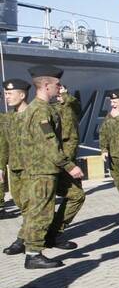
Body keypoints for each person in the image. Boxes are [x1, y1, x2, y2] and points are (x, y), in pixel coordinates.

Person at [8, 67, 84, 268]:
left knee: (75, 195)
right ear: (46, 85)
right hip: (43, 170)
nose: (60, 88)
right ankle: (33, 254)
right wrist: (69, 166)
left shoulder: (41, 108)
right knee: (41, 210)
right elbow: (48, 143)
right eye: (58, 85)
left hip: (47, 168)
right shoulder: (40, 110)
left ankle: (50, 237)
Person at [46, 79, 84, 249]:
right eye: (58, 89)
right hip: (56, 161)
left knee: (76, 196)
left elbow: (76, 105)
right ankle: (36, 237)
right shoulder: (49, 110)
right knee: (45, 200)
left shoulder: (70, 108)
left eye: (63, 90)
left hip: (69, 161)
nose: (60, 92)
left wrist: (65, 95)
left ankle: (54, 232)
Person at [0, 78, 31, 232]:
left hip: (33, 169)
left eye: (10, 93)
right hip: (15, 168)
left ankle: (27, 238)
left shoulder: (35, 115)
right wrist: (1, 167)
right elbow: (4, 144)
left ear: (22, 95)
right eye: (6, 93)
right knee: (19, 201)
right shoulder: (8, 118)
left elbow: (49, 142)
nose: (7, 97)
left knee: (31, 203)